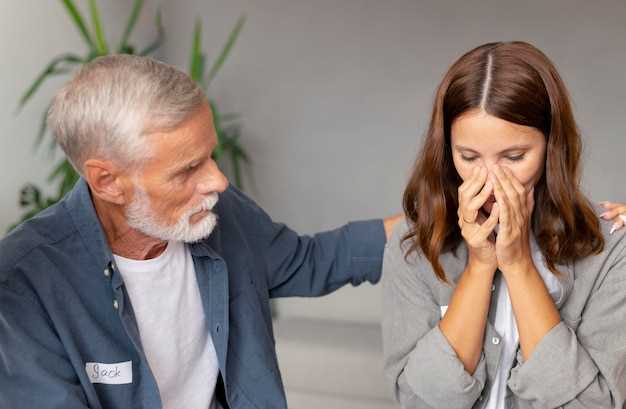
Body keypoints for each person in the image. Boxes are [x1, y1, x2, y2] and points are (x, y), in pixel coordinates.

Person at [0, 55, 401, 409]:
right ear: (107, 181)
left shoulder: (216, 213)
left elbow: (311, 261)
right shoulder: (22, 284)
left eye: (210, 156)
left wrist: (433, 223)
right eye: (187, 169)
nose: (219, 182)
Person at [382, 41, 626, 409]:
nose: (491, 180)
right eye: (469, 156)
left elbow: (594, 405)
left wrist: (518, 264)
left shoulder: (610, 249)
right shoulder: (412, 245)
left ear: (551, 147)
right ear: (447, 151)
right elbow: (418, 400)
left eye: (514, 157)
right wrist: (480, 267)